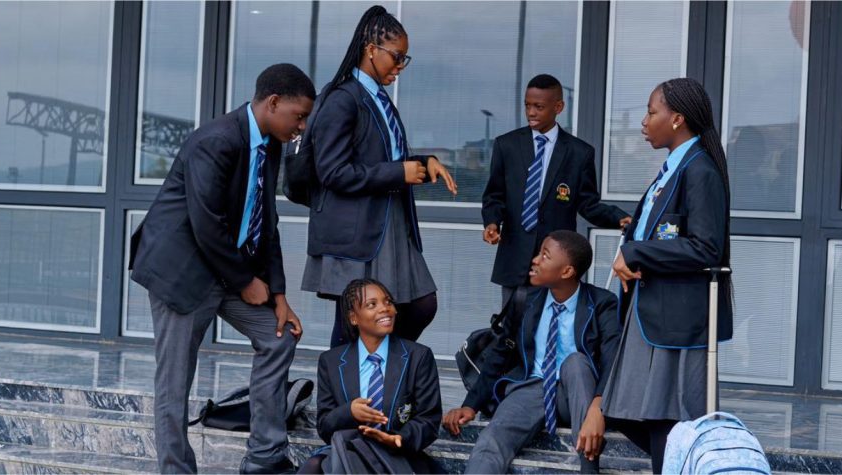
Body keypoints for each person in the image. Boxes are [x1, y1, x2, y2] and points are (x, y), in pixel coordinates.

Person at [129, 64, 314, 474]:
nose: (301, 126)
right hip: (183, 273)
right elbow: (205, 223)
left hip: (227, 270)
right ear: (273, 103)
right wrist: (247, 281)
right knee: (174, 384)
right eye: (298, 116)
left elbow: (267, 224)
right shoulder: (216, 141)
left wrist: (279, 296)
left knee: (278, 337)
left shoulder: (271, 144)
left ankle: (265, 458)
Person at [302, 5, 457, 348]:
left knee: (418, 305)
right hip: (358, 232)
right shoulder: (342, 99)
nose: (401, 66)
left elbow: (382, 159)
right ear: (372, 50)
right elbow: (332, 171)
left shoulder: (377, 99)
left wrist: (423, 162)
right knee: (354, 320)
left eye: (406, 58)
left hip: (389, 225)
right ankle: (340, 397)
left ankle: (376, 374)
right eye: (397, 57)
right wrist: (398, 172)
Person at [604, 77, 733, 474]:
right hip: (650, 312)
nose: (644, 121)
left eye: (651, 111)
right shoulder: (672, 169)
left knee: (667, 419)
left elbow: (705, 248)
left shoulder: (700, 171)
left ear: (677, 119)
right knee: (625, 410)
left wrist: (635, 252)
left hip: (676, 319)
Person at [443, 230, 621, 474]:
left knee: (576, 363)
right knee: (490, 441)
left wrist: (597, 411)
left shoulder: (602, 303)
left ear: (567, 271)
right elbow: (499, 355)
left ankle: (589, 469)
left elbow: (613, 359)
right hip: (532, 387)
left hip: (579, 394)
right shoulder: (525, 299)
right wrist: (471, 405)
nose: (535, 260)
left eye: (545, 256)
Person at [481, 74, 630, 303]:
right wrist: (492, 222)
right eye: (528, 105)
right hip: (514, 259)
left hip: (556, 262)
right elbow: (495, 195)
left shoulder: (579, 153)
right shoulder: (506, 145)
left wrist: (618, 218)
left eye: (539, 107)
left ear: (558, 107)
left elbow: (588, 203)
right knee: (511, 331)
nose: (531, 113)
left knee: (547, 326)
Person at [299, 279, 442, 474]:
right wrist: (349, 412)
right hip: (350, 449)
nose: (385, 309)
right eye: (371, 304)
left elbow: (429, 419)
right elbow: (324, 426)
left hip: (398, 453)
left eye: (388, 302)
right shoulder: (331, 362)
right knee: (314, 466)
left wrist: (398, 439)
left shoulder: (418, 357)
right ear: (353, 318)